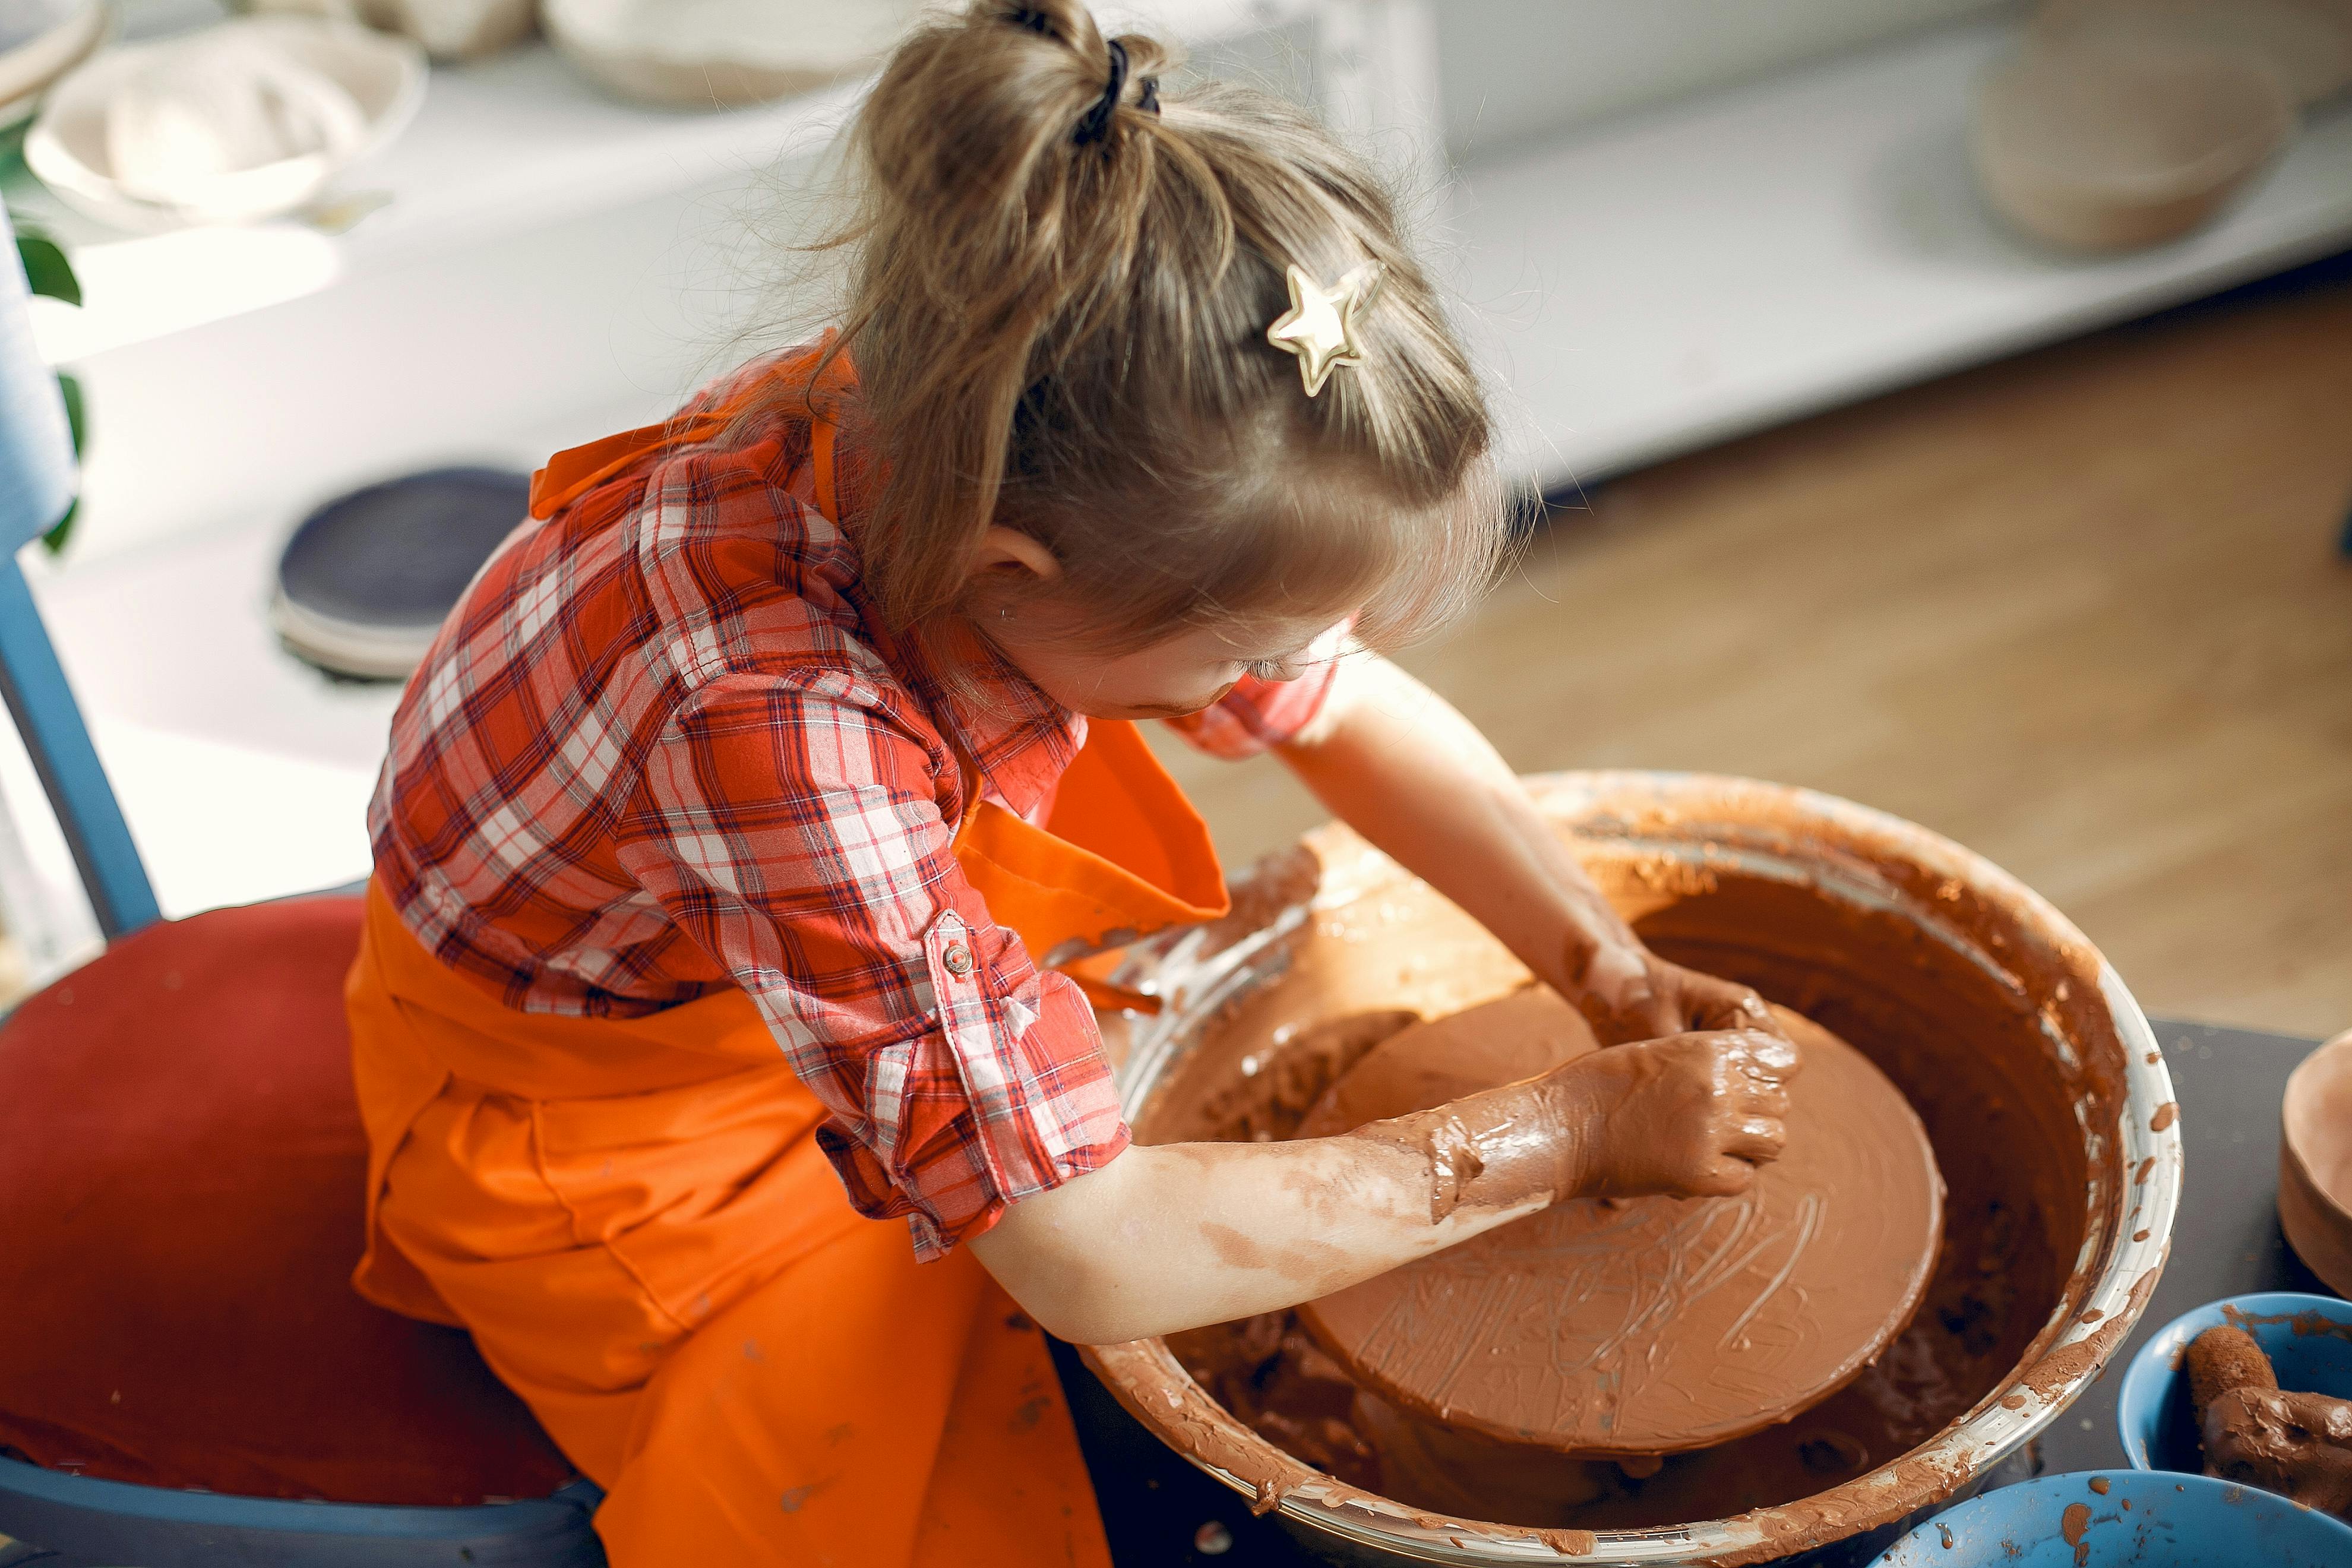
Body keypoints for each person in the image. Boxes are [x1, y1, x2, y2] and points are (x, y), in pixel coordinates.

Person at [345, 4, 1799, 1563]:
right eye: (1235, 659)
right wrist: (1561, 1139)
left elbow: (1342, 704)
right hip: (600, 1141)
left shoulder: (1000, 405)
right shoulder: (778, 717)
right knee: (903, 1498)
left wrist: (1598, 959)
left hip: (763, 950)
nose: (1286, 679)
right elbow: (1082, 1251)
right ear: (1016, 579)